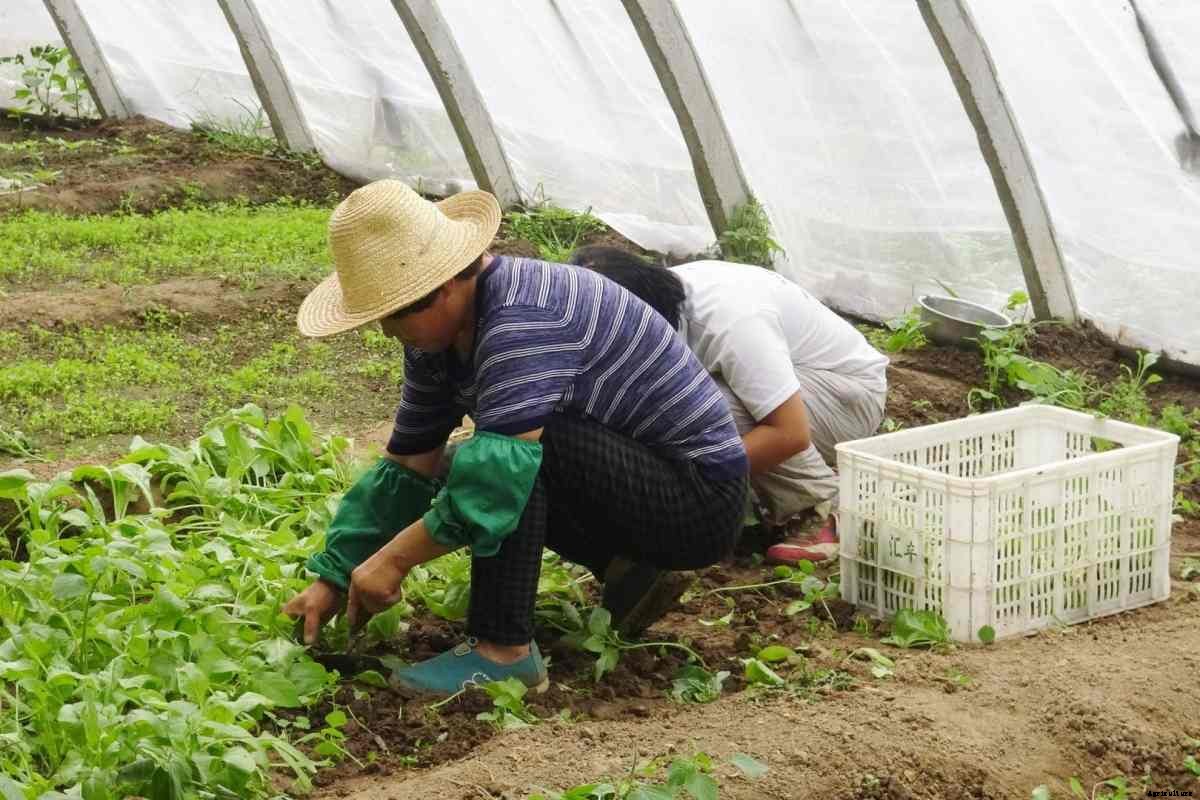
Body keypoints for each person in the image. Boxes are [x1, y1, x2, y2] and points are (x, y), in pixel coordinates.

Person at [284, 181, 748, 696]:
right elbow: (409, 463)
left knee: (508, 460)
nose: (388, 332)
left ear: (443, 286)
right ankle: (630, 570)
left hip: (698, 501)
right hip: (635, 483)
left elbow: (494, 482)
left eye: (394, 313)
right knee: (461, 463)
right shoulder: (436, 341)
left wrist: (392, 561)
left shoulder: (523, 318)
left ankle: (502, 650)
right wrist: (335, 573)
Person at [570, 246, 887, 565]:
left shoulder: (728, 319)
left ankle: (823, 507)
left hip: (849, 397)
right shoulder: (657, 301)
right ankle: (756, 496)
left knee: (704, 407)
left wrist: (691, 481)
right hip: (800, 390)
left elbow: (790, 433)